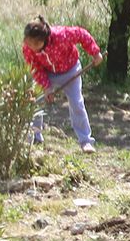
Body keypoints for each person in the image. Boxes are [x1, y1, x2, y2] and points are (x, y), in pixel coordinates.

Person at [22, 16, 103, 152]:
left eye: (35, 45)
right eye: (28, 43)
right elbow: (35, 68)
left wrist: (95, 53)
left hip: (70, 70)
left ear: (44, 40)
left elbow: (82, 34)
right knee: (34, 98)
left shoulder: (61, 35)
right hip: (47, 73)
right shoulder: (28, 48)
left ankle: (86, 141)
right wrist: (46, 87)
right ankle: (35, 136)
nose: (31, 47)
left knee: (76, 103)